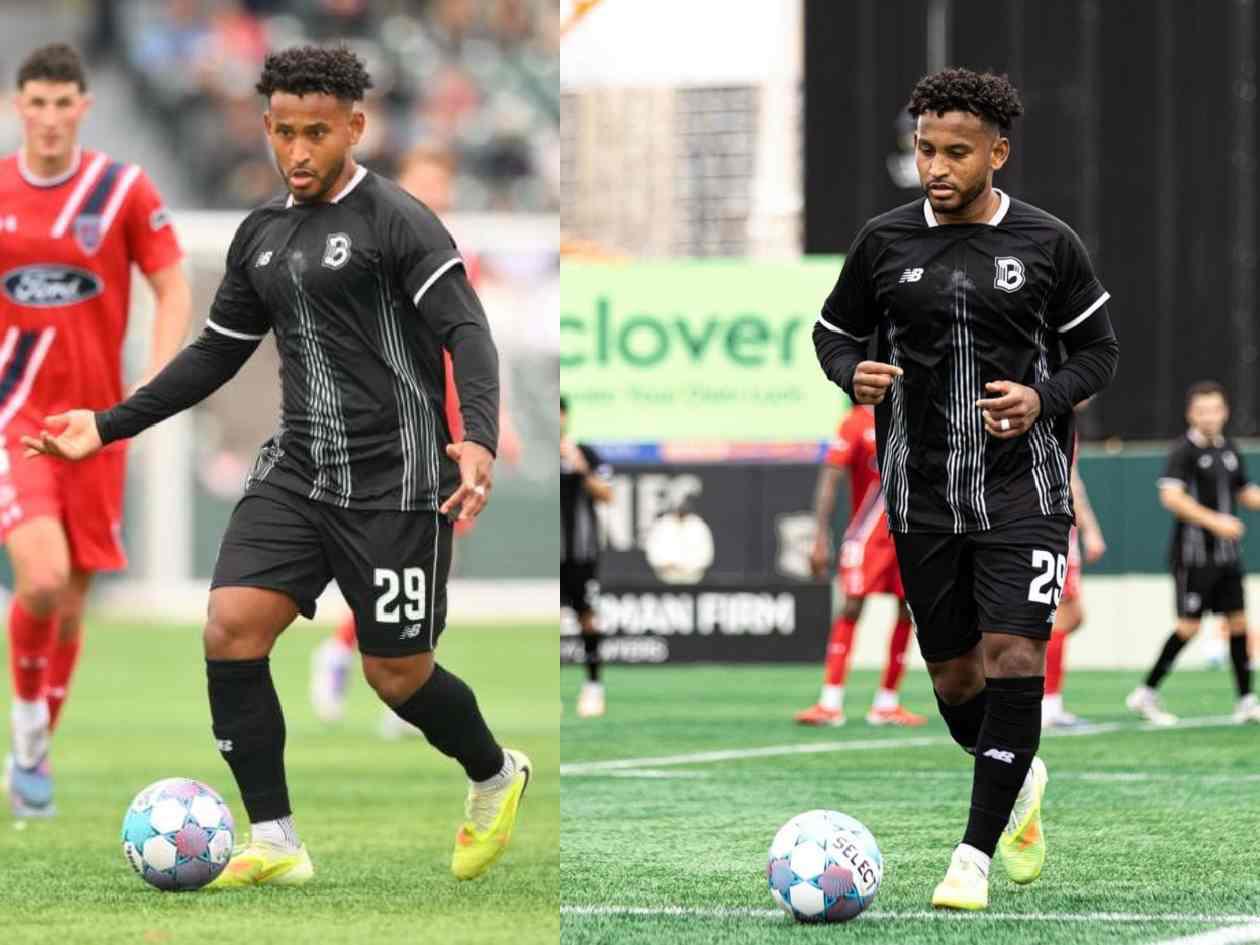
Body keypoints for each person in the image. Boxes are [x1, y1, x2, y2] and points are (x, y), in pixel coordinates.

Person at [22, 45, 530, 885]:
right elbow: (214, 354)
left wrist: (476, 435)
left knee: (396, 674)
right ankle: (276, 839)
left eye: (316, 133)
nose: (297, 150)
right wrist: (108, 424)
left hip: (399, 480)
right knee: (229, 627)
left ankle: (495, 772)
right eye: (284, 132)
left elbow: (466, 331)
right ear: (265, 125)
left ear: (354, 127)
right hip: (297, 472)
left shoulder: (399, 221)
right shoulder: (260, 234)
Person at [813, 68, 1119, 911]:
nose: (936, 167)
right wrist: (852, 372)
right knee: (952, 679)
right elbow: (832, 333)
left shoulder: (1048, 243)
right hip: (921, 494)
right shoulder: (882, 242)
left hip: (1026, 488)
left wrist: (1042, 398)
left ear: (998, 153)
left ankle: (971, 858)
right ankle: (1020, 776)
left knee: (1014, 655)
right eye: (925, 150)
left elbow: (1099, 353)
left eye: (956, 152)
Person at [2, 43, 192, 817]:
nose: (49, 117)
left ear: (83, 107)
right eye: (36, 103)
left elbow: (173, 287)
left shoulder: (121, 190)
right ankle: (26, 725)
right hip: (14, 416)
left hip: (96, 426)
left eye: (62, 103)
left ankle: (33, 751)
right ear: (20, 107)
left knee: (74, 600)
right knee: (42, 578)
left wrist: (150, 387)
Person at [307, 142, 522, 734]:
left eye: (441, 187)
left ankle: (388, 672)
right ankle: (366, 663)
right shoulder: (366, 253)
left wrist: (492, 422)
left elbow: (471, 346)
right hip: (394, 422)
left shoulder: (456, 258)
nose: (434, 198)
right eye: (422, 186)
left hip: (451, 425)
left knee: (429, 560)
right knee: (395, 554)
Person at [1127, 381, 1260, 726]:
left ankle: (1246, 700)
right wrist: (1216, 522)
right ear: (1190, 414)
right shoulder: (1183, 451)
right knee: (1188, 627)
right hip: (1193, 556)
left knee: (1238, 623)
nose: (1209, 417)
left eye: (1215, 409)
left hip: (1228, 555)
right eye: (1202, 411)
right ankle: (1146, 692)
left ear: (1225, 412)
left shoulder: (1229, 448)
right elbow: (1171, 497)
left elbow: (1244, 491)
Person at [795, 405, 926, 727]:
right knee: (852, 606)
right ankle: (830, 702)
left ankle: (887, 703)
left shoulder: (917, 414)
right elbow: (831, 476)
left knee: (908, 609)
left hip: (912, 531)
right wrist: (819, 536)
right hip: (870, 531)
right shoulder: (856, 422)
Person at [1042, 445, 1106, 728]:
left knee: (1070, 616)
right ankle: (1048, 705)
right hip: (1052, 526)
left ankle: (1046, 702)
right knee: (1061, 616)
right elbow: (1069, 481)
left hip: (1052, 524)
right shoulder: (1055, 423)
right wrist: (1091, 530)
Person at [560, 395, 612, 718]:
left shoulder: (585, 453)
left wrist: (580, 467)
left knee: (587, 617)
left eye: (560, 414)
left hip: (581, 553)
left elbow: (607, 494)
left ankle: (593, 687)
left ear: (566, 417)